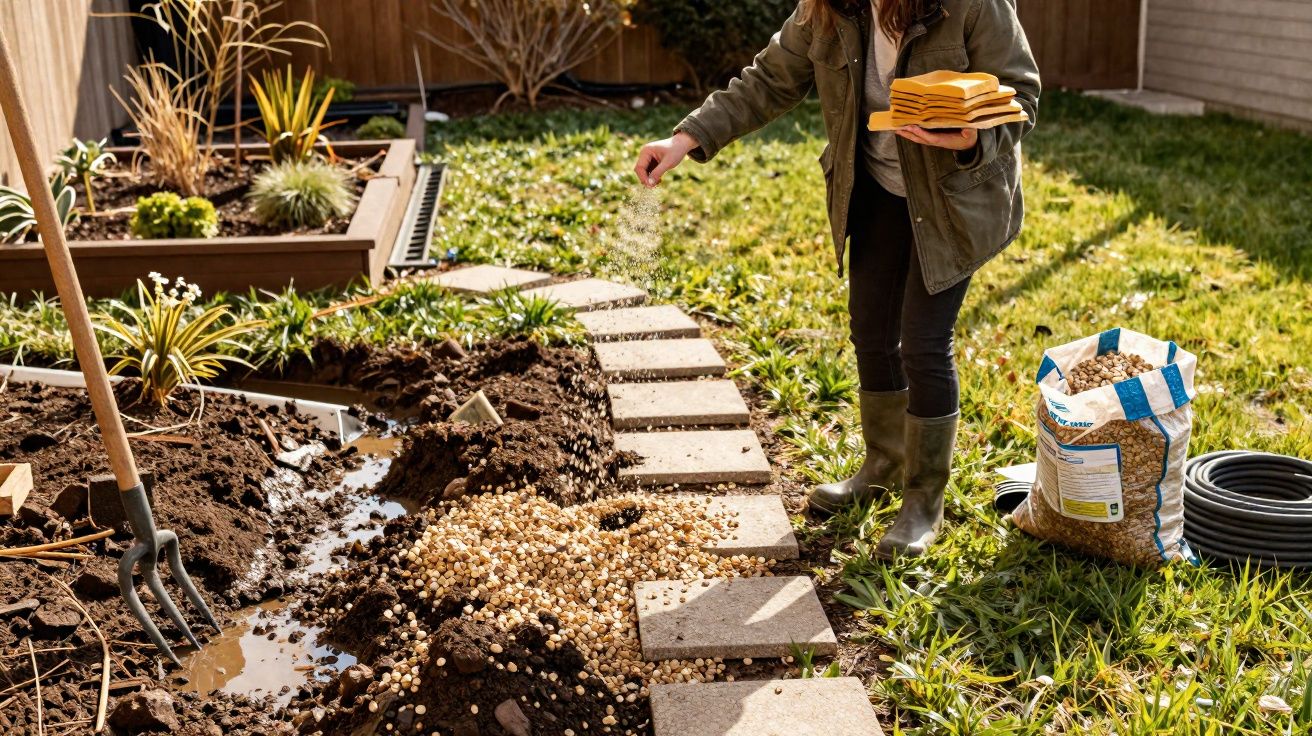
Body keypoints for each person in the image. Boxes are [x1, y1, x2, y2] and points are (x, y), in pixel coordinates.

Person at [634, 0, 1040, 559]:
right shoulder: (828, 8)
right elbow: (769, 80)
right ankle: (883, 465)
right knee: (871, 332)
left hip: (952, 201)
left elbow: (1021, 93)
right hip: (873, 189)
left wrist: (972, 140)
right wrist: (683, 140)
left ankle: (923, 502)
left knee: (922, 343)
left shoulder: (970, 4)